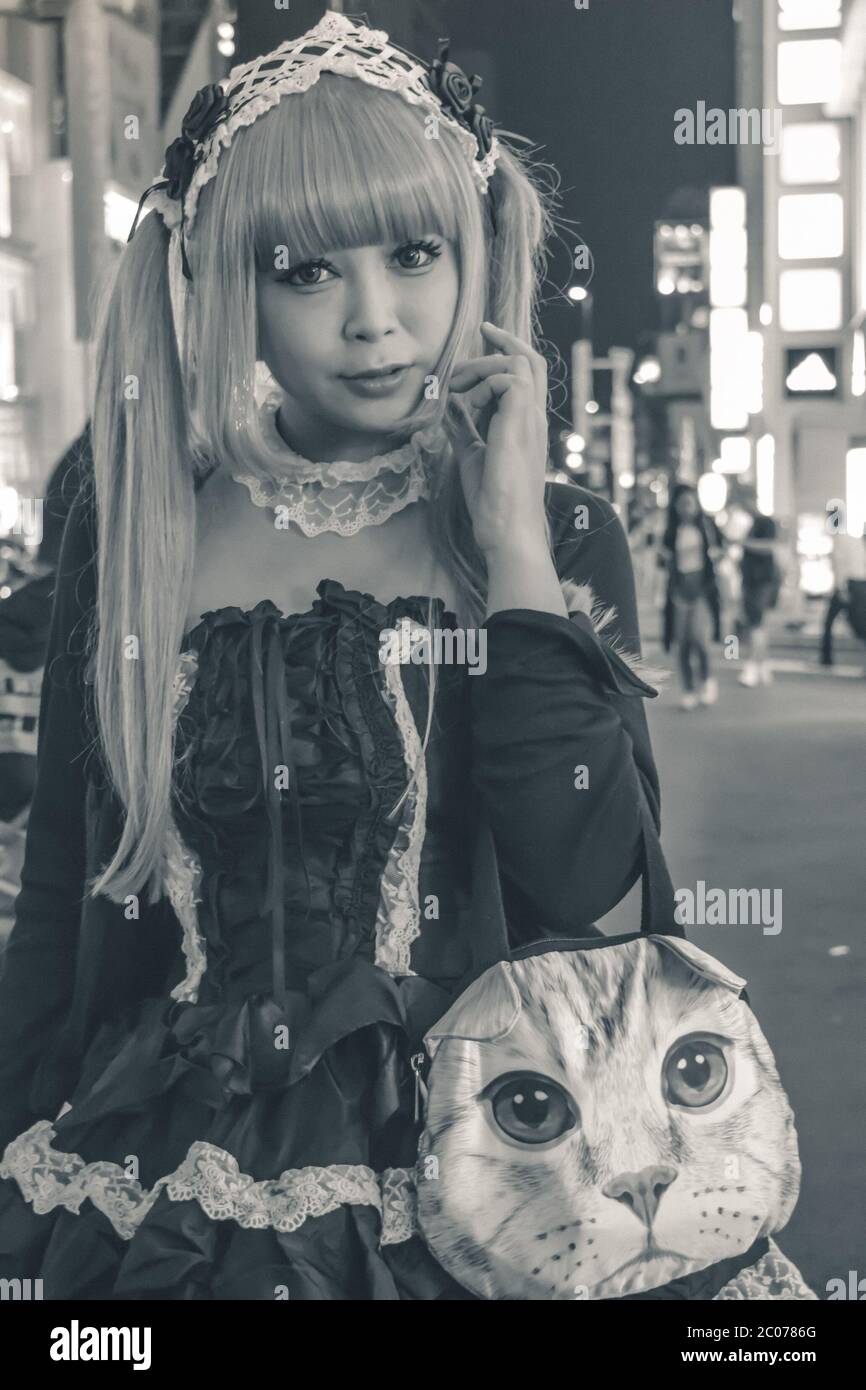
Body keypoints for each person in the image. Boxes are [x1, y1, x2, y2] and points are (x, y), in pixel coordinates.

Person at [0, 12, 664, 1300]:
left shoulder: (562, 532)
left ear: (469, 249)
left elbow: (581, 890)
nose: (375, 320)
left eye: (414, 254)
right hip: (158, 1181)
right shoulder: (137, 524)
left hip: (485, 1169)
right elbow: (64, 910)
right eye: (305, 270)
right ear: (226, 286)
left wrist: (515, 545)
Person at [661, 483, 723, 711]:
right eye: (681, 504)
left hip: (701, 590)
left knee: (699, 639)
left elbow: (720, 551)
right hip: (679, 592)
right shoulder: (671, 531)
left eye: (690, 503)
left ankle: (707, 681)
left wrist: (717, 557)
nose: (686, 508)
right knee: (683, 644)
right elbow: (664, 561)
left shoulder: (706, 526)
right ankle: (688, 689)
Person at [737, 509, 782, 688]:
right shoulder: (754, 526)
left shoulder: (764, 525)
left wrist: (745, 543)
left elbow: (770, 546)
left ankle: (753, 665)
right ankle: (762, 665)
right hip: (754, 582)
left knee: (755, 625)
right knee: (758, 626)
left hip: (760, 582)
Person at [821, 528, 866, 667]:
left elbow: (841, 565)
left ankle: (826, 658)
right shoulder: (856, 543)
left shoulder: (844, 541)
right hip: (857, 584)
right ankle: (826, 657)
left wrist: (841, 588)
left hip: (850, 584)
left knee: (857, 624)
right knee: (857, 623)